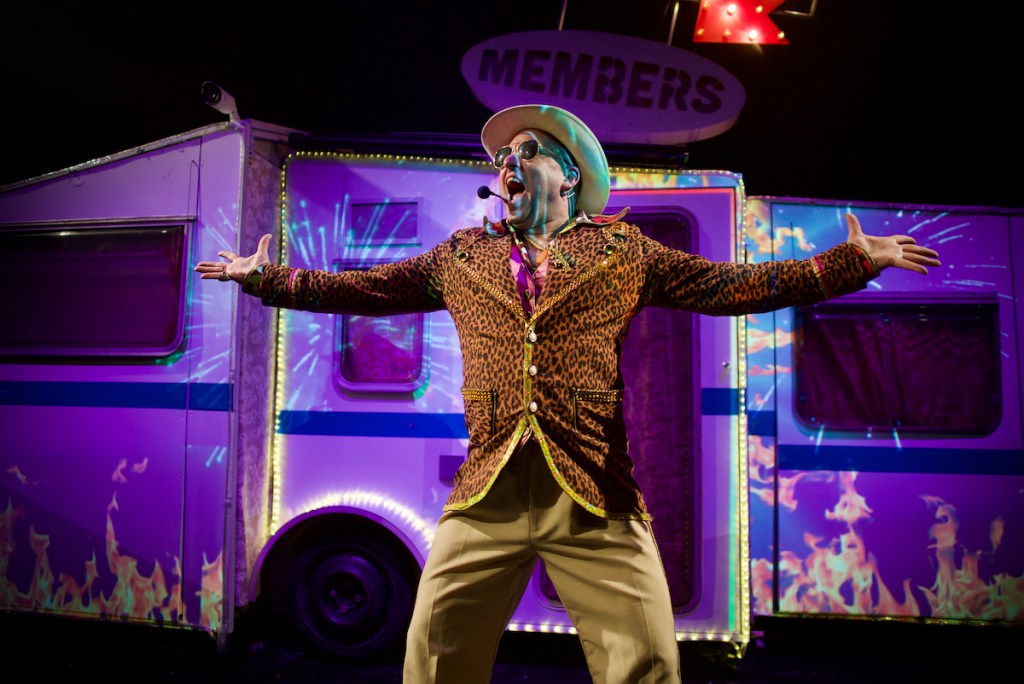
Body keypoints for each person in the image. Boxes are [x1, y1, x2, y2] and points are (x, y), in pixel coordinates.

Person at [196, 104, 940, 683]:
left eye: (527, 152)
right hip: (486, 494)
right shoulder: (463, 256)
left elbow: (736, 286)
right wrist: (266, 278)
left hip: (593, 493)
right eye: (502, 158)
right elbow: (362, 285)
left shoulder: (624, 252)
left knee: (645, 663)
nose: (509, 164)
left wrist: (849, 263)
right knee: (434, 654)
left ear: (569, 175)